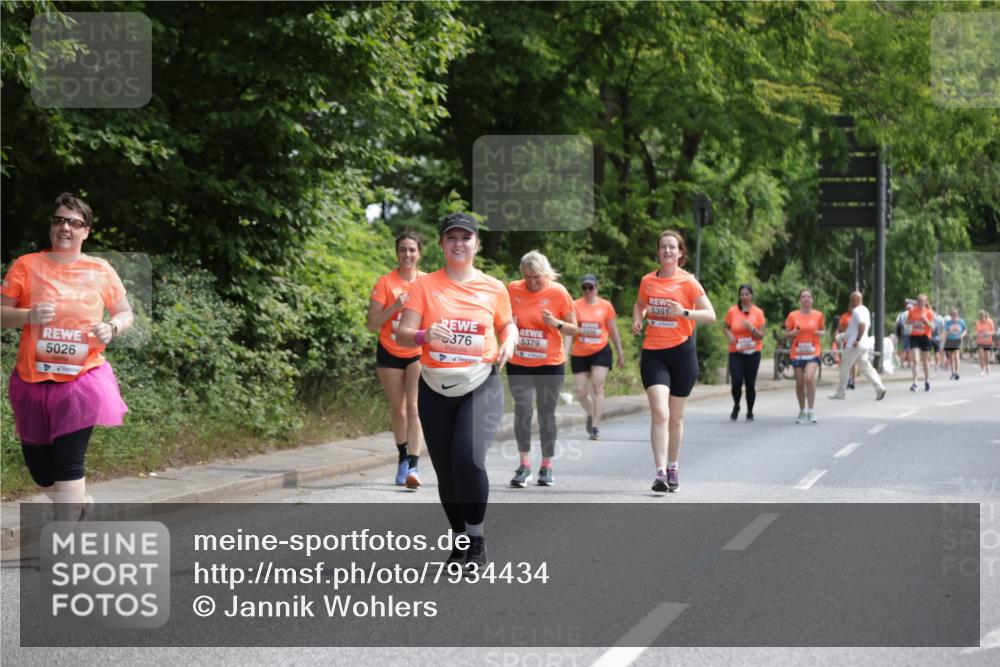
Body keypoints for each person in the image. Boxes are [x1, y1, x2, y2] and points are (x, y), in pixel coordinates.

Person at [396, 212, 517, 569]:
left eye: (466, 238)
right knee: (446, 470)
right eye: (452, 238)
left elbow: (507, 324)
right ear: (441, 245)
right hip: (434, 385)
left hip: (480, 383)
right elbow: (403, 333)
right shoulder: (424, 286)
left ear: (476, 244)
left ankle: (476, 540)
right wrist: (424, 335)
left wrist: (509, 341)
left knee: (468, 459)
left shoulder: (494, 287)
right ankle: (459, 540)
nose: (459, 244)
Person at [1, 193, 132, 520]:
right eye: (58, 220)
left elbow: (125, 313)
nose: (65, 228)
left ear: (86, 231)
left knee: (69, 462)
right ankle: (79, 505)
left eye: (74, 223)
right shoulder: (27, 265)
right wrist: (28, 316)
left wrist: (112, 327)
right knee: (41, 471)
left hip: (82, 380)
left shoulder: (99, 269)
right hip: (32, 381)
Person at [632, 230, 716, 493]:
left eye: (672, 247)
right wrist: (638, 316)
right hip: (654, 353)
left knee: (676, 417)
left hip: (682, 354)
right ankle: (659, 474)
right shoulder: (648, 281)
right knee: (660, 411)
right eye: (663, 247)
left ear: (680, 253)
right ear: (658, 252)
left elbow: (711, 315)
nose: (667, 251)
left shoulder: (689, 282)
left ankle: (673, 466)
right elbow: (640, 304)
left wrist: (685, 313)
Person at [506, 251, 577, 488]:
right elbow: (500, 320)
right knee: (523, 409)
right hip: (520, 362)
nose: (533, 282)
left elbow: (574, 329)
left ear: (545, 273)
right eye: (528, 277)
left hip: (550, 363)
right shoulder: (513, 289)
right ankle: (524, 464)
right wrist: (509, 325)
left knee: (546, 414)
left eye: (537, 277)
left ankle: (546, 466)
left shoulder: (558, 292)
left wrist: (555, 324)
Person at [366, 231, 425, 489]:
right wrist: (394, 308)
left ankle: (414, 464)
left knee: (414, 407)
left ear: (419, 253)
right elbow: (371, 324)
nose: (407, 254)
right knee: (398, 409)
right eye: (403, 249)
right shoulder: (385, 283)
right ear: (397, 253)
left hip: (418, 352)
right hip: (389, 351)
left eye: (412, 249)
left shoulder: (427, 282)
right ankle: (402, 458)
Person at [570, 274, 624, 441]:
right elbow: (569, 331)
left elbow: (613, 331)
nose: (588, 291)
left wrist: (620, 354)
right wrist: (564, 352)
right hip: (580, 352)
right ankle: (592, 413)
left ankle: (595, 426)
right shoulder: (574, 305)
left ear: (596, 288)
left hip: (601, 350)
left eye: (590, 287)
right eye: (584, 288)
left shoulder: (606, 306)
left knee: (597, 385)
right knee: (580, 391)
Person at [828, 291, 886, 401]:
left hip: (854, 345)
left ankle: (840, 392)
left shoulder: (856, 311)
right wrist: (842, 336)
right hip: (864, 345)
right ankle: (880, 388)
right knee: (867, 368)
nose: (850, 302)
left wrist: (857, 339)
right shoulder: (865, 310)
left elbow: (862, 325)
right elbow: (852, 330)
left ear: (856, 300)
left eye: (851, 299)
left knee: (844, 368)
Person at [723, 284, 765, 422]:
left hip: (753, 352)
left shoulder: (758, 312)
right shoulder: (732, 311)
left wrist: (751, 328)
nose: (744, 297)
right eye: (742, 294)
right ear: (739, 296)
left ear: (751, 296)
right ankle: (736, 405)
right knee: (736, 381)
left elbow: (761, 336)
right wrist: (729, 335)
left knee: (750, 383)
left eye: (747, 294)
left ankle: (750, 411)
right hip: (736, 351)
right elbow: (726, 328)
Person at [785, 288, 825, 424]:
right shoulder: (792, 316)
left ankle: (811, 411)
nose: (806, 299)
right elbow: (786, 334)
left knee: (809, 377)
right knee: (800, 383)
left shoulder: (818, 315)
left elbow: (822, 330)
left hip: (813, 352)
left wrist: (821, 333)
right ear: (800, 300)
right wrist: (792, 334)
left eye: (808, 297)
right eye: (803, 297)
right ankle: (802, 411)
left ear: (812, 300)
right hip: (797, 353)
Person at [907, 294, 934, 391]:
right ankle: (915, 383)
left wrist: (925, 320)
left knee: (925, 362)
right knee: (915, 360)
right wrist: (913, 322)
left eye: (922, 301)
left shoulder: (929, 312)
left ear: (926, 302)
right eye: (919, 301)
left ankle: (927, 381)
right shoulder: (912, 310)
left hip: (925, 337)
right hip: (914, 336)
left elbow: (932, 327)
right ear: (917, 302)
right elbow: (907, 322)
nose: (920, 303)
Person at [943, 307, 967, 380]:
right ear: (951, 315)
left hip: (957, 340)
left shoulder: (961, 322)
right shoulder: (948, 322)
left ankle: (956, 372)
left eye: (956, 314)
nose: (954, 316)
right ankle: (952, 372)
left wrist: (962, 335)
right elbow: (945, 332)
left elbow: (965, 330)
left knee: (956, 356)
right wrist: (949, 330)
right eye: (953, 314)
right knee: (951, 357)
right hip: (949, 340)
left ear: (958, 315)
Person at [835, 306, 856, 390]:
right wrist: (847, 328)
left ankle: (852, 380)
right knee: (844, 362)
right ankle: (846, 380)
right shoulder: (844, 316)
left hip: (854, 342)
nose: (851, 308)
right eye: (850, 307)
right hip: (846, 342)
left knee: (853, 362)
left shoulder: (857, 316)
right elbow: (839, 328)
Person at [976, 310, 996, 376]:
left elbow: (993, 331)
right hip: (980, 341)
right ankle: (982, 370)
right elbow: (976, 332)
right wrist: (977, 334)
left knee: (986, 356)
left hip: (988, 341)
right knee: (981, 356)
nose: (981, 318)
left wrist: (987, 333)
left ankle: (987, 365)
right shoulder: (978, 322)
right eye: (980, 317)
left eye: (982, 317)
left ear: (985, 316)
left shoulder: (990, 322)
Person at [931, 306, 946, 371]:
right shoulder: (941, 318)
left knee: (935, 351)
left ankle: (937, 364)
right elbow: (944, 328)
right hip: (939, 337)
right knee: (940, 351)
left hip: (932, 337)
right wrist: (943, 336)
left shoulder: (931, 317)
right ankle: (941, 364)